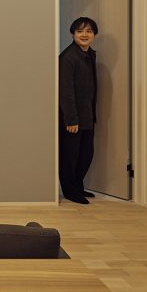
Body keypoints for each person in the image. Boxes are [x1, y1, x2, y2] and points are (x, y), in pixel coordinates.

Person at [58, 17, 99, 204]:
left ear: (94, 34)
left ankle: (77, 186)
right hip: (73, 118)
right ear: (73, 34)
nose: (84, 35)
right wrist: (71, 119)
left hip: (87, 115)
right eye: (80, 31)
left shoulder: (89, 54)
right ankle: (70, 190)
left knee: (86, 154)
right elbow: (65, 91)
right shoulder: (68, 57)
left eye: (89, 31)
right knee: (70, 156)